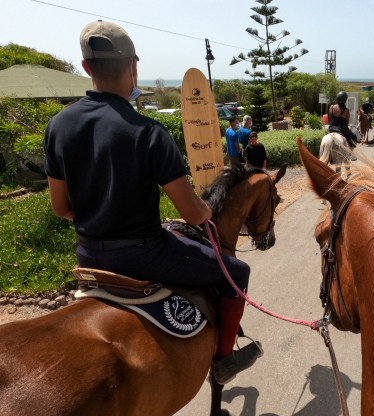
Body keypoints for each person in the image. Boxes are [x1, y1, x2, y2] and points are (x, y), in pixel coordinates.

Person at [43, 19, 262, 385]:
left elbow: (61, 208)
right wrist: (207, 209)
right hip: (144, 255)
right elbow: (192, 213)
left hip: (88, 256)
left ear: (85, 67)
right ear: (133, 68)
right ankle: (224, 359)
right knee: (238, 272)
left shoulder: (58, 126)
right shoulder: (149, 132)